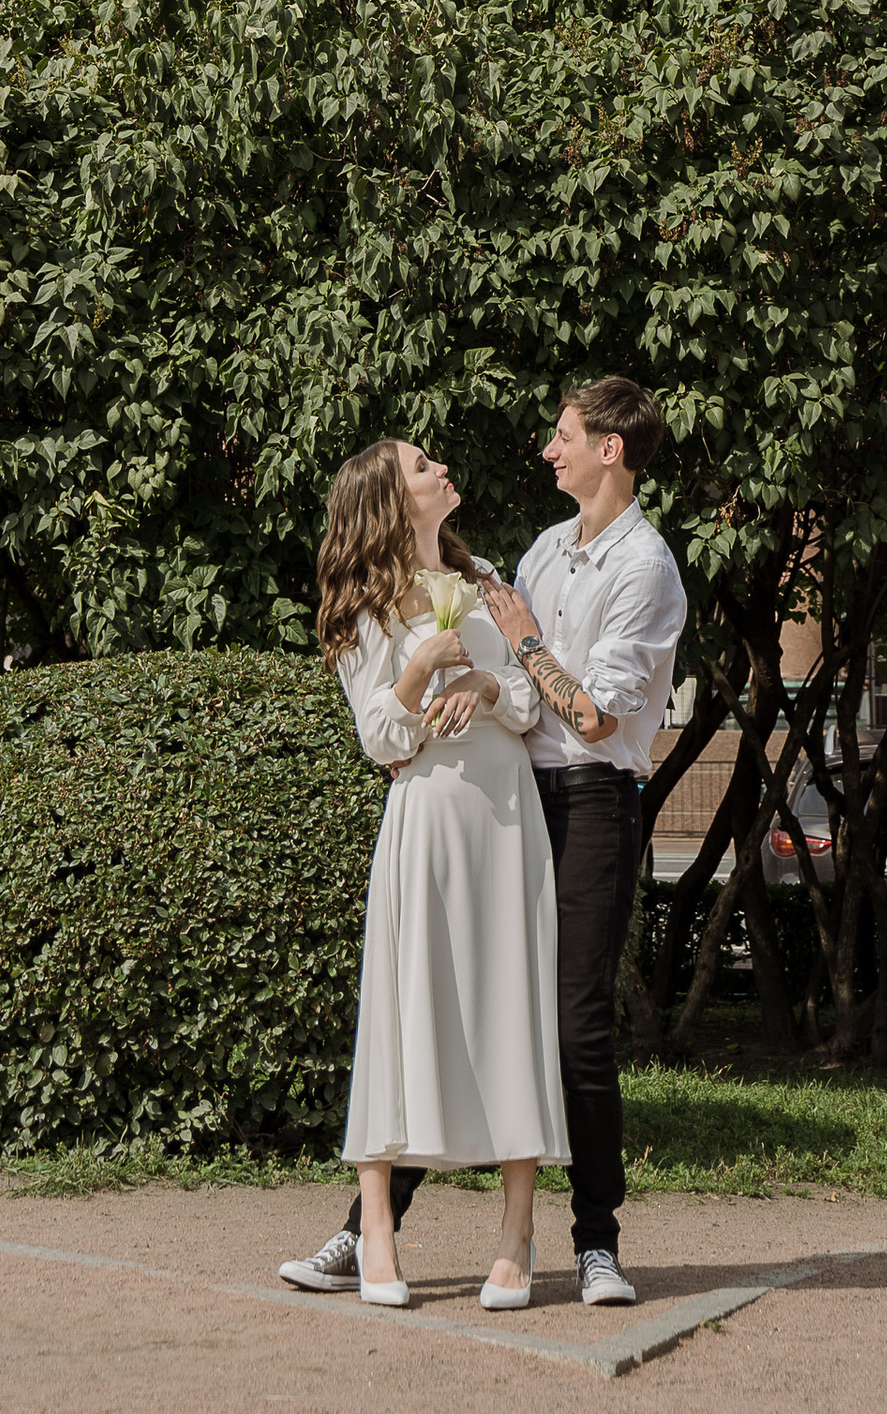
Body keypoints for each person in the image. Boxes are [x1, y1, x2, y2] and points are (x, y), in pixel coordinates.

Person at [287, 380, 684, 1317]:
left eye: (563, 437)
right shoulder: (542, 550)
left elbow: (587, 712)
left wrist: (510, 665)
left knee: (571, 1021)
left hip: (587, 795)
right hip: (504, 793)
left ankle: (593, 1243)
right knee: (447, 1001)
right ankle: (366, 1224)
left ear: (609, 452)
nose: (549, 451)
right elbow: (425, 700)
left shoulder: (645, 566)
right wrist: (465, 684)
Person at [280, 440, 563, 1315]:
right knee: (402, 1014)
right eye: (421, 465)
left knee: (514, 1006)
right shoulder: (365, 609)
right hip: (426, 814)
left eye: (440, 459)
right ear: (389, 500)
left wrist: (482, 681)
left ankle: (516, 1238)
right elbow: (380, 739)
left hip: (506, 814)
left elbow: (529, 701)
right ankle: (374, 1232)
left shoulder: (493, 588)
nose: (442, 468)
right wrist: (417, 664)